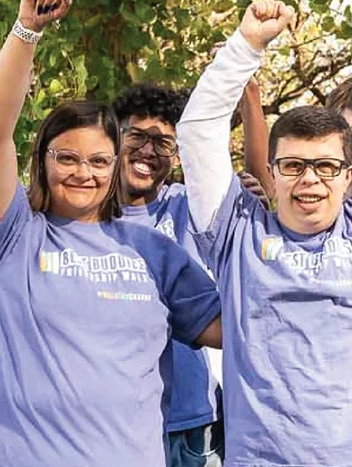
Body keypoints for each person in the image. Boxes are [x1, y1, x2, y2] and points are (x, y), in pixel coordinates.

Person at [177, 0, 352, 463]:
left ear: (349, 174)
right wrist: (245, 44)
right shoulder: (236, 231)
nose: (310, 179)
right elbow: (198, 132)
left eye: (326, 166)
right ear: (272, 169)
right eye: (293, 165)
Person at [0, 0, 226, 463]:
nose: (84, 173)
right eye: (68, 158)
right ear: (43, 160)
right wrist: (26, 31)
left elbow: (236, 330)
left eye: (99, 161)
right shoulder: (11, 235)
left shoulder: (152, 250)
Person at [109, 82, 223, 467]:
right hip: (116, 420)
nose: (147, 150)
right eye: (137, 136)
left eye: (163, 143)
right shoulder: (83, 215)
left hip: (193, 417)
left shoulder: (187, 205)